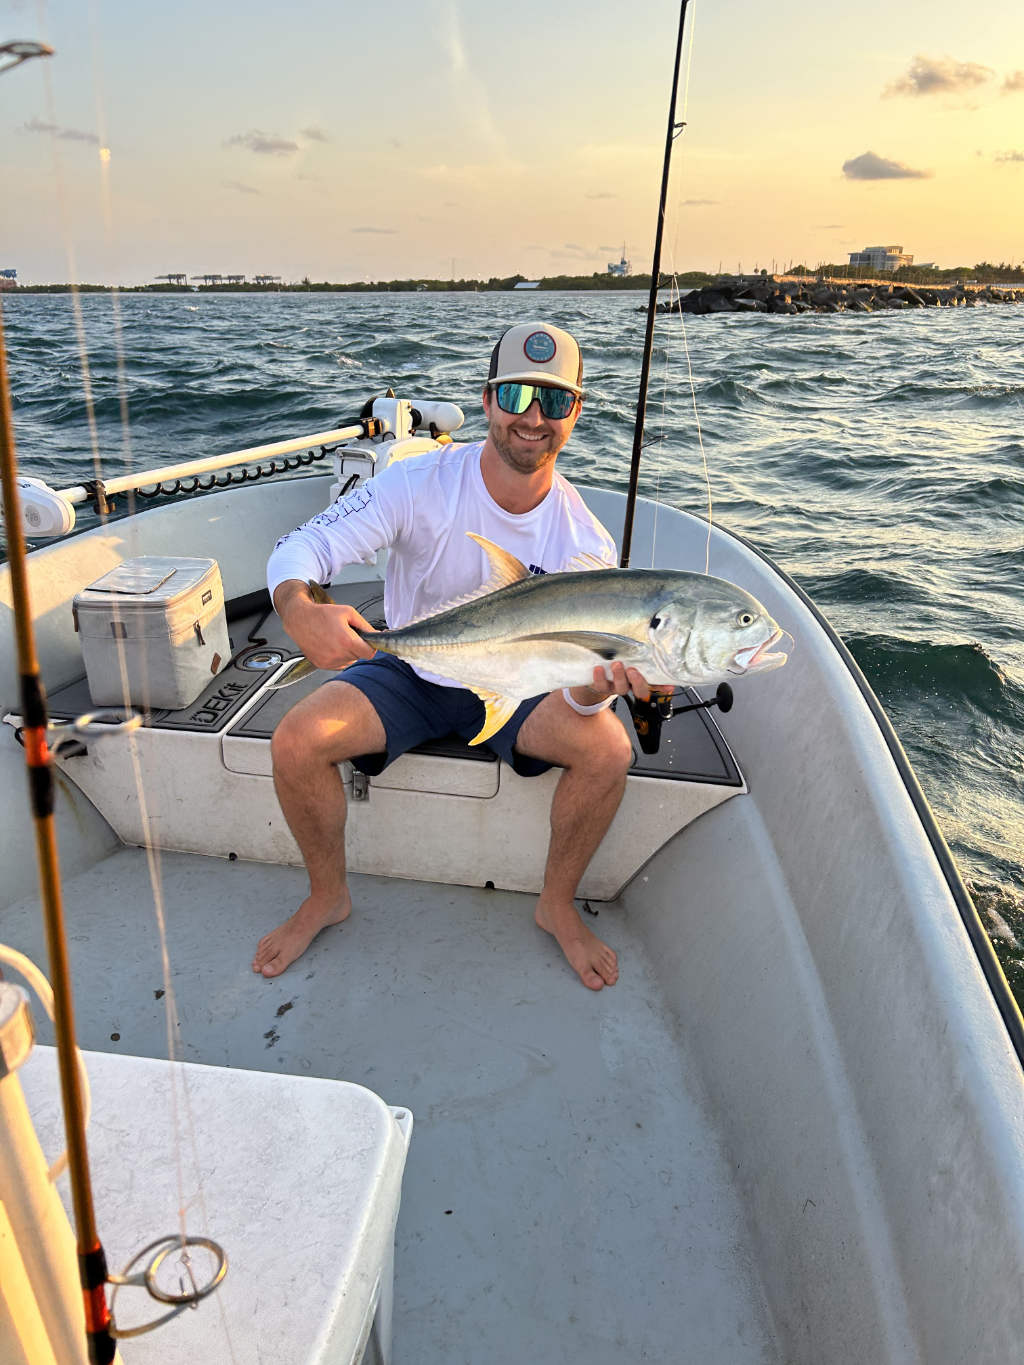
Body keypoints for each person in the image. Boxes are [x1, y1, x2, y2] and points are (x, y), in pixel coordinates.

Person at [253, 322, 654, 991]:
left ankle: (556, 904)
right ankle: (328, 895)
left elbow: (578, 687)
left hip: (520, 684)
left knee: (608, 747)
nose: (533, 417)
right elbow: (299, 549)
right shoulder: (419, 482)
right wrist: (299, 609)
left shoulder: (585, 543)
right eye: (519, 394)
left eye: (554, 401)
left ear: (576, 413)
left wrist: (597, 689)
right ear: (489, 398)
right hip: (412, 666)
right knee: (297, 739)